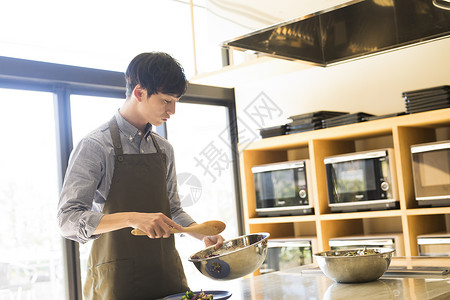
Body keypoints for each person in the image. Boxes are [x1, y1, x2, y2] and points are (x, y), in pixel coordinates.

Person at [57, 52, 224, 300]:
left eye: (176, 101)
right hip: (117, 281)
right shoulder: (95, 146)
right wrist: (132, 218)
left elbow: (173, 211)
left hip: (166, 275)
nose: (173, 110)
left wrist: (201, 233)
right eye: (167, 100)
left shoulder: (164, 149)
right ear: (139, 93)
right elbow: (68, 219)